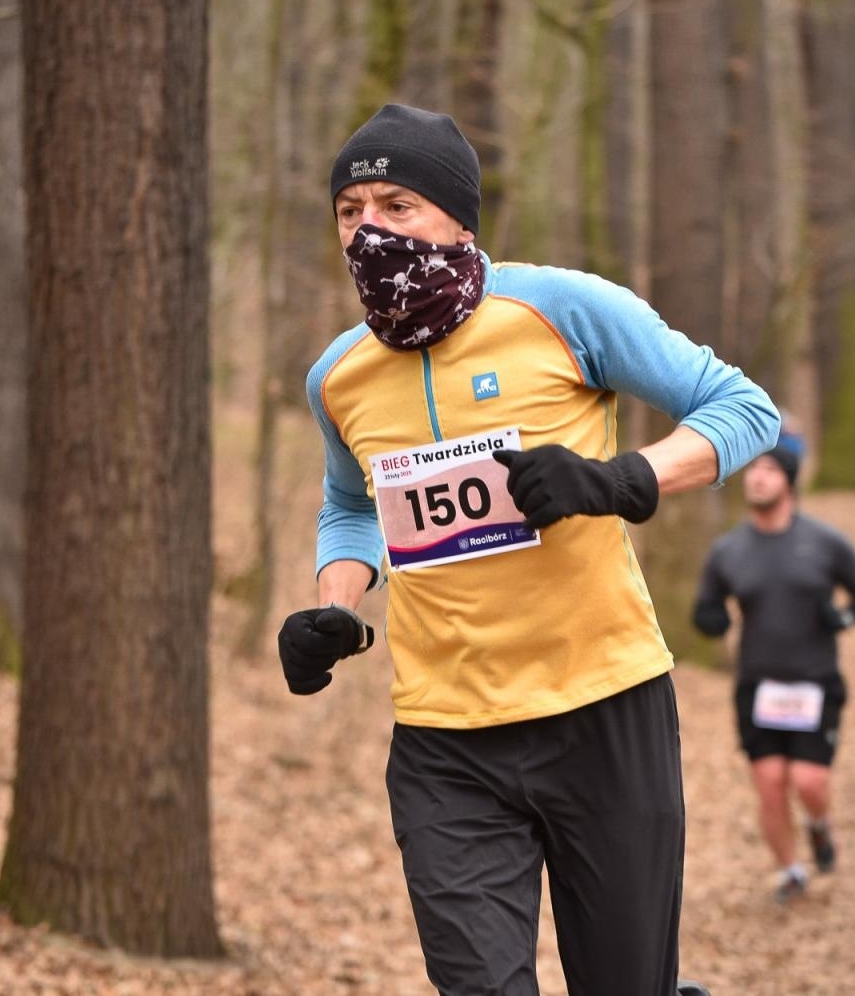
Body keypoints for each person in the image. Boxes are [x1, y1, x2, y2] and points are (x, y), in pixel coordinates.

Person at [278, 104, 776, 996]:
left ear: (457, 216)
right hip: (446, 740)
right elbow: (351, 507)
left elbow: (743, 411)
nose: (370, 231)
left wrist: (617, 481)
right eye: (350, 212)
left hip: (602, 708)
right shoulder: (337, 376)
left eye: (397, 205)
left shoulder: (562, 309)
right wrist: (334, 608)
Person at [691, 443, 855, 903]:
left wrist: (844, 618)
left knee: (809, 781)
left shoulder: (823, 542)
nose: (757, 477)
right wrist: (711, 620)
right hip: (757, 684)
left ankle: (819, 825)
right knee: (770, 783)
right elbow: (706, 606)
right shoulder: (729, 550)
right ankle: (790, 870)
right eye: (752, 468)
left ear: (789, 481)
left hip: (815, 681)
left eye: (769, 469)